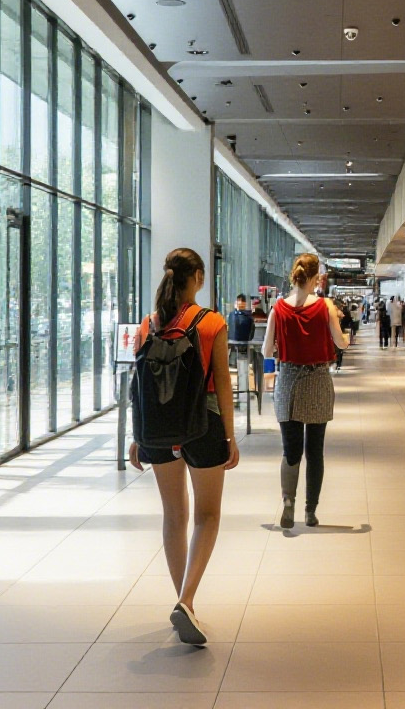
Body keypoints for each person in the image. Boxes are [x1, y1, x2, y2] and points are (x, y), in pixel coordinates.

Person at [128, 247, 240, 646]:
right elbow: (223, 384)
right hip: (203, 426)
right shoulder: (211, 323)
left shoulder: (148, 324)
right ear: (197, 277)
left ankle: (183, 602)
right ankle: (186, 599)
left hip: (156, 430)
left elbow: (137, 386)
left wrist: (137, 437)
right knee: (207, 515)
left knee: (174, 515)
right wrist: (229, 435)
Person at [263, 253, 349, 528]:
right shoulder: (325, 306)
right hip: (318, 380)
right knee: (315, 450)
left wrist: (273, 367)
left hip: (288, 381)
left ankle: (288, 501)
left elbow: (266, 350)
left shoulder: (279, 308)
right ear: (315, 279)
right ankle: (310, 511)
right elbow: (341, 343)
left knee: (290, 450)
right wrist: (345, 334)